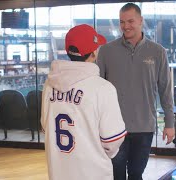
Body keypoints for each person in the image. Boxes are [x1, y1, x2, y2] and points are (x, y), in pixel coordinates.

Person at [97, 3, 175, 180]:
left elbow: (165, 90)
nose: (126, 26)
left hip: (144, 127)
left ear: (141, 21)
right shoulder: (106, 51)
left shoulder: (158, 52)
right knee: (115, 175)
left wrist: (169, 123)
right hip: (113, 128)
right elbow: (97, 91)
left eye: (130, 21)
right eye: (122, 22)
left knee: (136, 174)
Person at [41, 24, 127, 180]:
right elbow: (112, 140)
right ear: (94, 53)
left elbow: (45, 127)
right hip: (94, 173)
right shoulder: (103, 88)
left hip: (59, 171)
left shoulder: (48, 85)